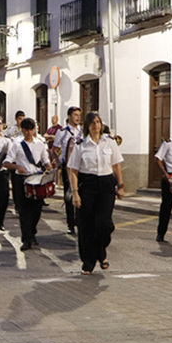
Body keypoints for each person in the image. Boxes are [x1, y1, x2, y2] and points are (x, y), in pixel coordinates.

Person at [68, 112, 124, 273]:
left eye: (98, 122)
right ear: (87, 126)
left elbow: (116, 166)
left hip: (106, 185)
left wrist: (120, 185)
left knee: (105, 224)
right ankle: (88, 262)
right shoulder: (80, 144)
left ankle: (101, 251)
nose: (96, 125)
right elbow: (73, 171)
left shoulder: (110, 142)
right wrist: (75, 193)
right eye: (92, 123)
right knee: (86, 226)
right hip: (87, 185)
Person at [4, 118, 51, 251]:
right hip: (21, 180)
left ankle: (32, 232)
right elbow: (6, 162)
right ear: (22, 131)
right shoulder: (17, 144)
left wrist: (48, 166)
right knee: (24, 211)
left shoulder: (40, 144)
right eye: (26, 130)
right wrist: (17, 166)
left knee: (36, 210)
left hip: (36, 179)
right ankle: (26, 239)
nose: (29, 133)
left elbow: (45, 160)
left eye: (31, 130)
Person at [54, 107, 82, 235]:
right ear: (69, 116)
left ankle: (80, 220)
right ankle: (71, 223)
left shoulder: (82, 131)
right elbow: (54, 150)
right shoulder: (62, 132)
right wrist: (59, 163)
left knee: (81, 194)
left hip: (81, 167)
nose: (78, 117)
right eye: (75, 115)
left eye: (79, 115)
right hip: (68, 167)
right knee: (69, 195)